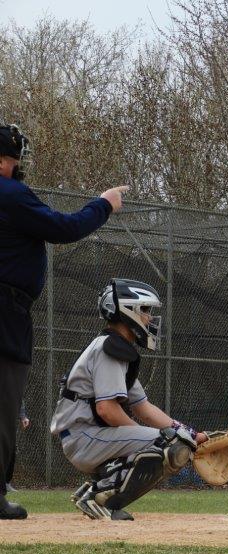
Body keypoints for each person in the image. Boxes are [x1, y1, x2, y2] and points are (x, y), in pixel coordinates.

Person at [0, 123, 127, 520]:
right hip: (5, 313)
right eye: (9, 161)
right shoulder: (10, 194)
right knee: (3, 406)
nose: (13, 169)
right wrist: (103, 204)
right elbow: (63, 228)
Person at [49, 279, 208, 521]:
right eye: (144, 310)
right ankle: (97, 496)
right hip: (84, 438)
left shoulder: (117, 349)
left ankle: (96, 489)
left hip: (86, 437)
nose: (149, 318)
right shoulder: (109, 349)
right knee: (168, 445)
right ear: (127, 311)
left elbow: (144, 408)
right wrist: (153, 440)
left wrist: (187, 432)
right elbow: (107, 410)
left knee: (175, 440)